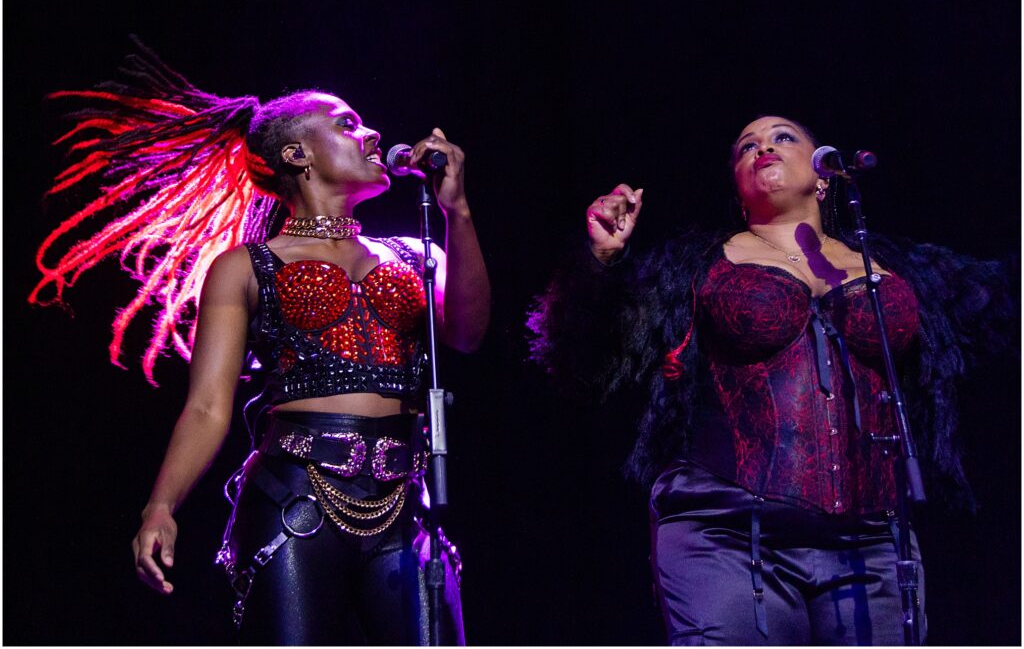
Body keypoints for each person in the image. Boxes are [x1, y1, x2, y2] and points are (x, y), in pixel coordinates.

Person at [30, 39, 490, 644]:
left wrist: (456, 212)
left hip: (404, 506)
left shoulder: (417, 252)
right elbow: (207, 405)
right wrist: (161, 505)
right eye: (347, 124)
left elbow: (466, 332)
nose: (373, 133)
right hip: (294, 500)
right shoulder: (245, 267)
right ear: (297, 154)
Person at [526, 115, 1015, 645]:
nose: (764, 149)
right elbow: (586, 363)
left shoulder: (895, 264)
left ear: (823, 175)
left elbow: (999, 299)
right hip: (728, 534)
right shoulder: (697, 264)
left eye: (783, 138)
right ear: (738, 188)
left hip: (872, 542)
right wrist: (601, 260)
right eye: (746, 147)